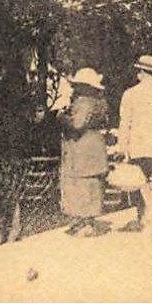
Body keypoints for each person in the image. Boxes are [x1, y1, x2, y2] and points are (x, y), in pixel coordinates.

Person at [114, 53, 152, 234]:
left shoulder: (130, 94)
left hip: (137, 145)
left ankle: (143, 216)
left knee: (138, 182)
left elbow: (124, 122)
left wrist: (122, 146)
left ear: (141, 72)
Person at [58, 67, 110, 237]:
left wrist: (62, 117)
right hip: (93, 145)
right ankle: (87, 221)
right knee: (91, 183)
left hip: (83, 147)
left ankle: (85, 222)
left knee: (82, 183)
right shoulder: (98, 102)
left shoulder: (84, 102)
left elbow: (78, 124)